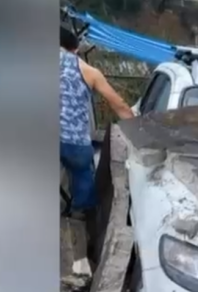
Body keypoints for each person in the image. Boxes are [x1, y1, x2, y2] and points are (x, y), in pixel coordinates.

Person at [60, 26, 133, 214]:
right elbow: (119, 106)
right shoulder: (89, 71)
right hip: (74, 141)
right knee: (82, 172)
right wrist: (138, 130)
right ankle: (81, 214)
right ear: (74, 49)